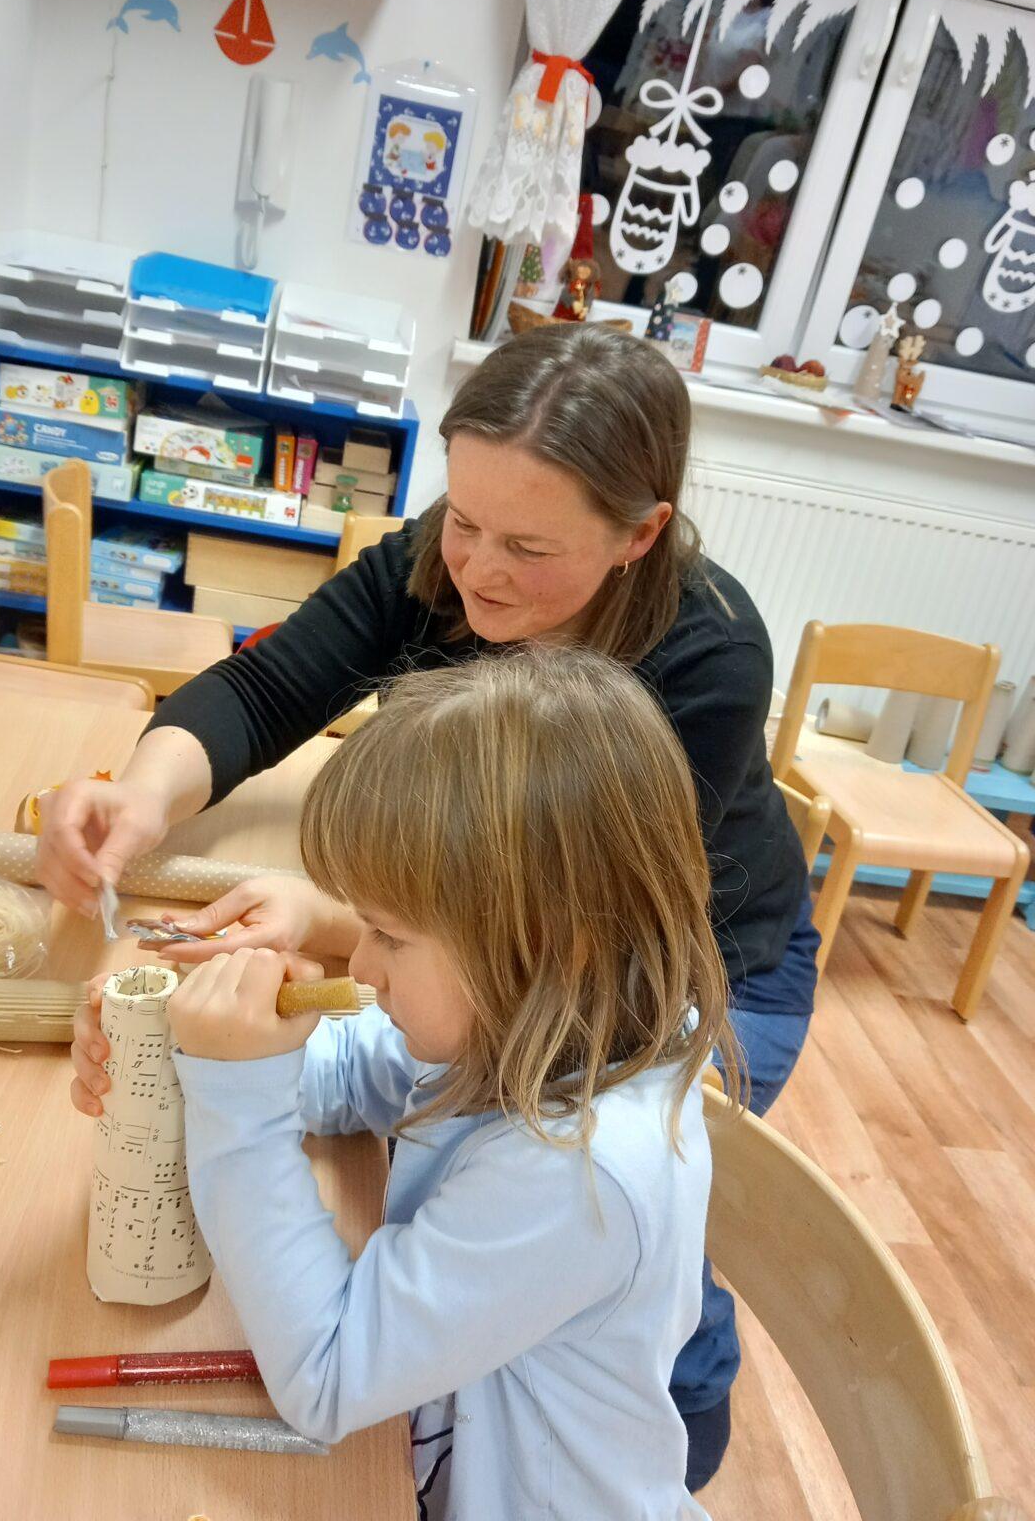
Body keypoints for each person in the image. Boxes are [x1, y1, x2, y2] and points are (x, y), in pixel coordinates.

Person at [41, 324, 819, 1487]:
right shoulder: (501, 1008)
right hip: (533, 977)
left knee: (643, 1217)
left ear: (639, 533)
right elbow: (272, 685)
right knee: (543, 1200)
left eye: (524, 544)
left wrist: (254, 1070)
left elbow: (328, 1373)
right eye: (462, 521)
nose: (476, 567)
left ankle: (679, 1389)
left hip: (712, 953)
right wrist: (149, 836)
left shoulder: (703, 659)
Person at [74, 647, 739, 1521]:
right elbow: (358, 1073)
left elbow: (326, 1374)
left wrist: (235, 1093)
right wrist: (200, 1046)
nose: (361, 964)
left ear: (546, 946)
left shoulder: (579, 1172)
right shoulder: (552, 1015)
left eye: (388, 934)